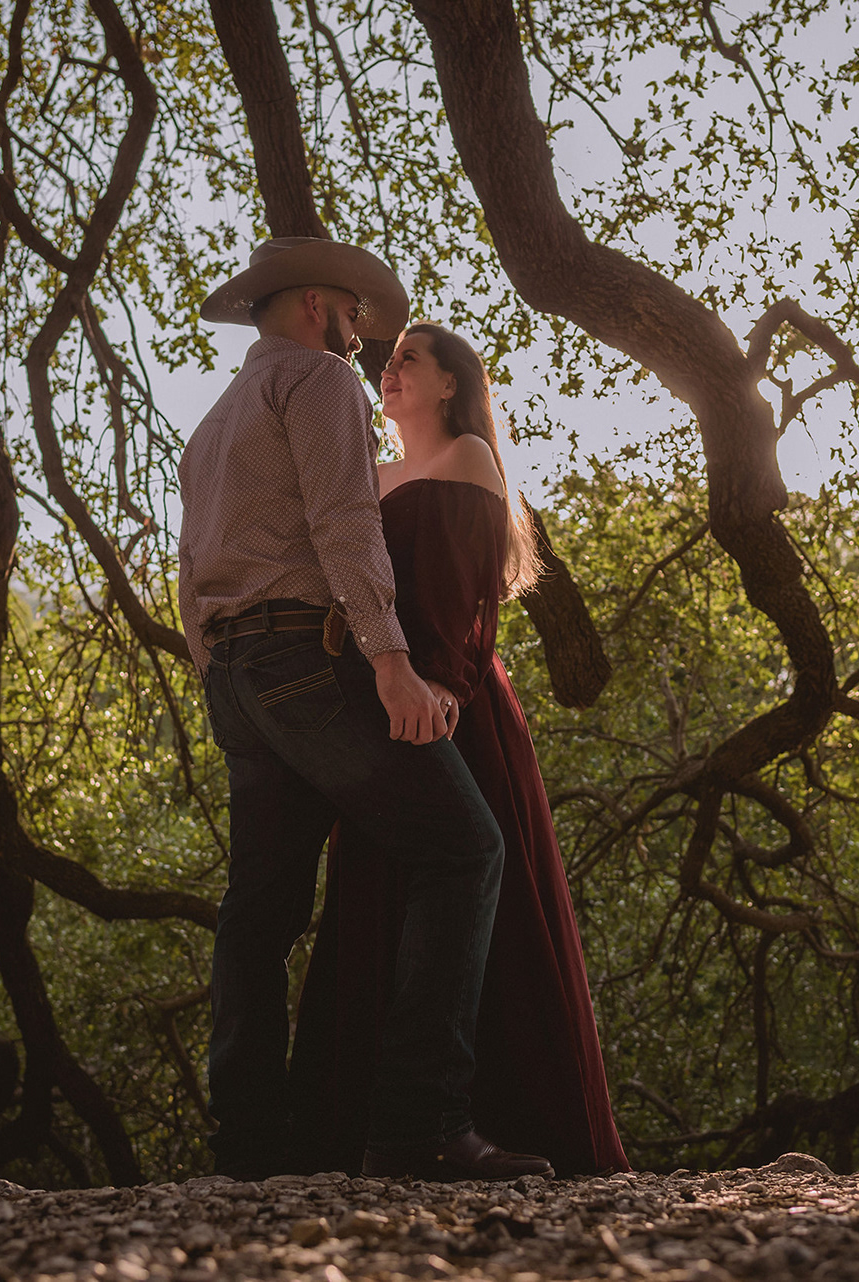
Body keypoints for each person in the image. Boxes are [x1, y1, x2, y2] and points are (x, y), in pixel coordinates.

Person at [178, 238, 552, 1181]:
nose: (359, 337)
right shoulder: (319, 381)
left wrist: (216, 668)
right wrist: (390, 663)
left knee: (259, 910)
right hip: (306, 660)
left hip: (235, 674)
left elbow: (189, 566)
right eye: (352, 315)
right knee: (466, 850)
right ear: (316, 305)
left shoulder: (215, 421)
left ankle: (250, 1150)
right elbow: (345, 524)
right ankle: (419, 1127)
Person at [289, 323, 631, 1176]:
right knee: (381, 901)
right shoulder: (370, 475)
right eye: (388, 360)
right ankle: (369, 1134)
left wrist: (441, 685)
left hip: (453, 705)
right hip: (381, 704)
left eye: (410, 358)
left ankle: (473, 1121)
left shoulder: (469, 458)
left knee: (478, 890)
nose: (390, 369)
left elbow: (468, 596)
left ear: (450, 385)